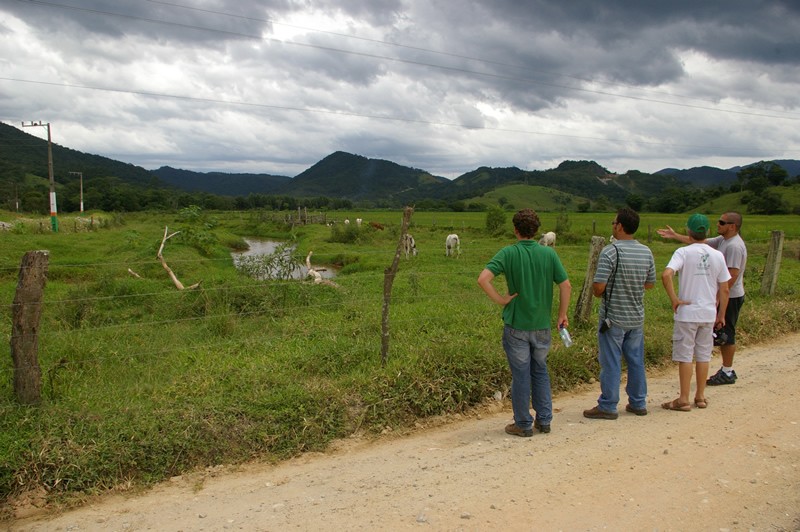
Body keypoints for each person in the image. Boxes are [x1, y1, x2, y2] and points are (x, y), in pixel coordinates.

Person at [478, 209, 571, 436]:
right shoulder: (549, 254)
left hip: (516, 326)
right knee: (540, 370)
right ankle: (545, 420)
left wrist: (502, 300)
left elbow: (483, 279)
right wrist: (562, 314)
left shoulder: (508, 253)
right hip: (542, 327)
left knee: (520, 375)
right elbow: (565, 285)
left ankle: (522, 423)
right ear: (536, 230)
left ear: (515, 230)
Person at [657, 211, 747, 385]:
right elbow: (699, 242)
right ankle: (702, 392)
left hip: (730, 295)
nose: (718, 225)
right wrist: (675, 235)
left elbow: (732, 276)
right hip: (717, 297)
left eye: (722, 222)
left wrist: (718, 299)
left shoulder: (734, 246)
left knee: (726, 332)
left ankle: (727, 371)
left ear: (732, 226)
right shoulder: (723, 241)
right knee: (710, 343)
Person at [583, 208, 656, 420]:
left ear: (620, 226)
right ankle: (638, 402)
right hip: (636, 316)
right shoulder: (646, 251)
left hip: (613, 317)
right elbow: (649, 284)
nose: (612, 225)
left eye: (614, 222)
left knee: (611, 361)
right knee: (635, 360)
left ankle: (608, 405)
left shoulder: (610, 251)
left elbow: (598, 287)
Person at [661, 214, 730, 411]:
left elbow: (666, 275)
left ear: (688, 231)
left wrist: (674, 299)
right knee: (703, 355)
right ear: (707, 232)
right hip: (708, 313)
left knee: (685, 355)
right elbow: (724, 289)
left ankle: (683, 398)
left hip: (687, 313)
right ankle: (700, 396)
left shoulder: (682, 252)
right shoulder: (717, 255)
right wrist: (721, 314)